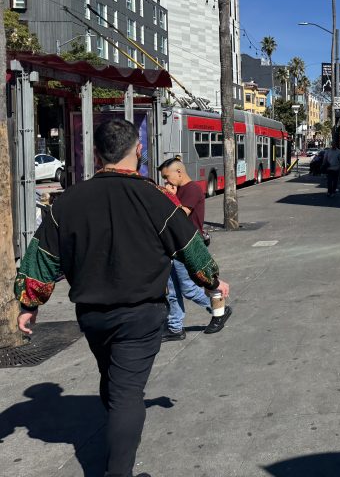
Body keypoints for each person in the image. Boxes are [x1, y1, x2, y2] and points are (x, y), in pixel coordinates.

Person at [15, 119, 230, 477]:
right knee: (128, 393)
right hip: (142, 313)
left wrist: (29, 305)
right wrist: (213, 281)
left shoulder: (67, 203)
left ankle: (115, 437)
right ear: (139, 150)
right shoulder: (156, 199)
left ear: (97, 155)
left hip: (93, 316)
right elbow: (190, 246)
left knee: (113, 379)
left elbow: (41, 257)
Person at [159, 156, 232, 340]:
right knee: (174, 289)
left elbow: (180, 216)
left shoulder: (191, 189)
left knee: (188, 288)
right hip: (175, 246)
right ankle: (175, 327)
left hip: (188, 246)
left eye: (167, 176)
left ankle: (219, 309)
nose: (166, 181)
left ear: (179, 172)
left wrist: (171, 196)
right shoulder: (181, 189)